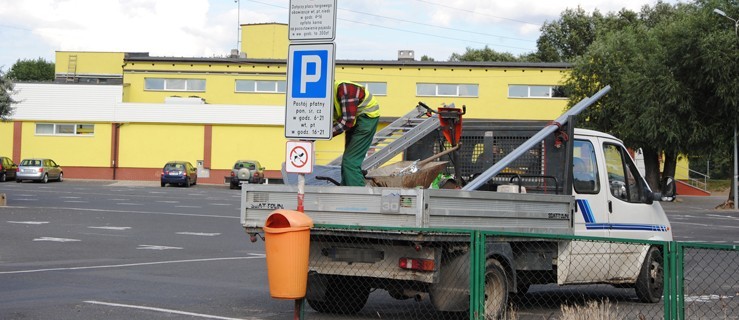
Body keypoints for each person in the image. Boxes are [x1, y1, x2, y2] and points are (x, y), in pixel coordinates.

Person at [333, 80, 380, 186]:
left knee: (350, 162)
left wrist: (325, 134)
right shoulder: (329, 97)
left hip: (366, 118)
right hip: (355, 120)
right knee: (347, 161)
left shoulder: (345, 90)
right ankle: (346, 190)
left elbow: (347, 122)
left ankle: (358, 197)